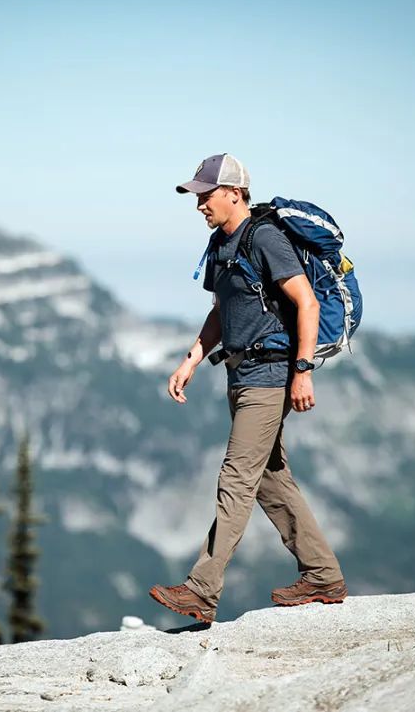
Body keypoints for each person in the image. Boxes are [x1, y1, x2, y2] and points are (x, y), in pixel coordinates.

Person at [148, 153, 347, 624]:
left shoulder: (266, 238)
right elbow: (222, 311)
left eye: (206, 195)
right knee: (271, 479)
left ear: (234, 193)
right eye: (196, 196)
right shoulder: (220, 243)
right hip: (238, 374)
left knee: (236, 477)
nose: (199, 204)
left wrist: (303, 370)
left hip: (270, 374)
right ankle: (322, 575)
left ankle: (201, 590)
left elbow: (307, 302)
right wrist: (191, 360)